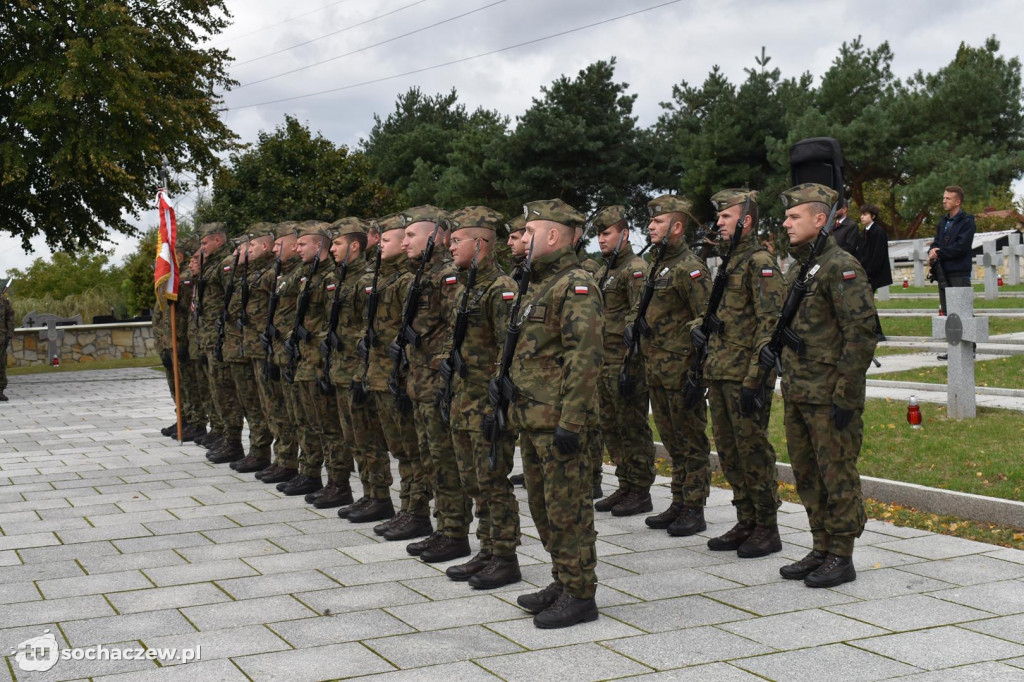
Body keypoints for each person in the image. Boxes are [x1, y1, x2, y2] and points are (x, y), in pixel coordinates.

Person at [775, 183, 877, 588]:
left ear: (820, 220)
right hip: (799, 390)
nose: (785, 222)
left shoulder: (841, 265)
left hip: (829, 393)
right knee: (807, 474)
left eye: (793, 216)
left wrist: (847, 395)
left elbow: (861, 332)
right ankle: (820, 544)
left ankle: (842, 553)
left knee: (836, 473)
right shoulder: (801, 266)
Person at [510, 199, 602, 629]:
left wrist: (572, 421)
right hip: (532, 416)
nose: (522, 240)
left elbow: (584, 356)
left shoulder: (576, 284)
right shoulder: (539, 283)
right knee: (544, 506)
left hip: (558, 420)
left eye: (529, 232)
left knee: (568, 508)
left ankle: (581, 593)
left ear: (551, 236)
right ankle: (563, 579)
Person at [694, 189, 785, 557]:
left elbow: (770, 323)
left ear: (745, 221)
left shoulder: (759, 261)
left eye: (726, 217)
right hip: (720, 370)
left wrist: (754, 379)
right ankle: (746, 518)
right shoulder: (730, 261)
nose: (718, 223)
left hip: (744, 375)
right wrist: (696, 327)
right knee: (730, 452)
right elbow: (723, 317)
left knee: (752, 451)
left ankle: (767, 525)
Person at [440, 206, 522, 588]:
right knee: (473, 481)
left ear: (479, 243)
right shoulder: (467, 284)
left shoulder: (500, 289)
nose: (450, 246)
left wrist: (496, 404)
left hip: (486, 403)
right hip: (462, 400)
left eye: (457, 240)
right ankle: (487, 549)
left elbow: (509, 352)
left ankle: (505, 556)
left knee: (493, 482)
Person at [630, 195, 712, 537]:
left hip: (681, 370)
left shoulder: (689, 267)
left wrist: (697, 369)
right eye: (650, 222)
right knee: (672, 439)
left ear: (677, 227)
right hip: (656, 368)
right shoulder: (657, 264)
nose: (650, 226)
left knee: (691, 440)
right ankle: (679, 500)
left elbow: (705, 317)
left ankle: (694, 506)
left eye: (658, 222)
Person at [398, 206, 469, 562]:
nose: (404, 241)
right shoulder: (420, 274)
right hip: (419, 382)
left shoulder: (446, 275)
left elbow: (456, 329)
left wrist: (442, 372)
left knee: (444, 461)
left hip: (436, 383)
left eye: (412, 234)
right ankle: (442, 527)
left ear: (435, 236)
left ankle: (455, 532)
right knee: (430, 457)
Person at [363, 213, 432, 541]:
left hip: (400, 376)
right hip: (382, 372)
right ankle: (407, 508)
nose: (398, 244)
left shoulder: (407, 280)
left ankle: (416, 511)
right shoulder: (384, 278)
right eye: (395, 239)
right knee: (401, 449)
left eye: (388, 240)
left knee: (411, 449)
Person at [325, 218, 395, 520]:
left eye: (337, 244)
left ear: (354, 245)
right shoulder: (341, 278)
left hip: (359, 371)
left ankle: (379, 496)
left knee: (369, 439)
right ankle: (368, 494)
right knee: (353, 437)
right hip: (342, 370)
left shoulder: (366, 280)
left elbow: (369, 330)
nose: (332, 250)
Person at [590, 205, 657, 517]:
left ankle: (640, 489)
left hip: (625, 362)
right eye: (598, 234)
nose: (601, 240)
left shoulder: (635, 269)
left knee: (632, 426)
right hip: (604, 361)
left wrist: (632, 364)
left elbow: (637, 315)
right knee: (611, 426)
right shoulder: (605, 271)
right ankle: (625, 483)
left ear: (624, 234)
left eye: (607, 233)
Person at [929, 185, 977, 317]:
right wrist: (932, 251)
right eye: (944, 198)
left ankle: (967, 338)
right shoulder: (943, 221)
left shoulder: (967, 223)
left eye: (948, 198)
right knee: (947, 313)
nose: (944, 201)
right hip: (942, 271)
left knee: (963, 314)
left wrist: (939, 253)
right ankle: (951, 338)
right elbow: (936, 241)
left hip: (959, 273)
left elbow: (960, 247)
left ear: (958, 202)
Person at [857, 204, 893, 342]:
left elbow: (878, 255)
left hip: (873, 274)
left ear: (873, 216)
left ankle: (878, 333)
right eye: (861, 214)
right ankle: (873, 331)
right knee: (866, 302)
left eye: (865, 214)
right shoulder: (865, 231)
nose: (862, 217)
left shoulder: (878, 232)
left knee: (867, 302)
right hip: (865, 273)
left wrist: (868, 273)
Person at [0, 278, 14, 401]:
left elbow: (10, 317)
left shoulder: (4, 301)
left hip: (1, 338)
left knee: (1, 364)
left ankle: (0, 390)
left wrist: (9, 334)